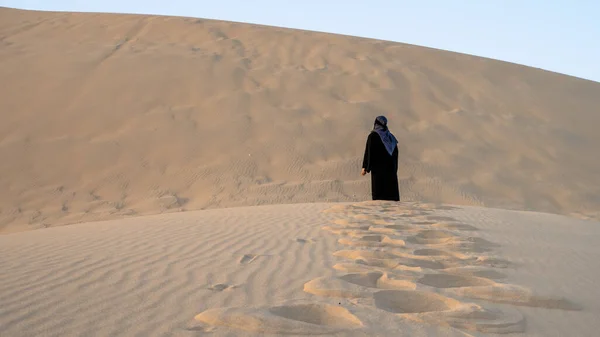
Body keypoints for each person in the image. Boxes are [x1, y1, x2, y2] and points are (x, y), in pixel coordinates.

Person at [361, 116, 400, 201]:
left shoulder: (373, 136)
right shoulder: (391, 137)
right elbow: (396, 155)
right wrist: (395, 168)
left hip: (378, 172)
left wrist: (365, 167)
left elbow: (369, 152)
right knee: (391, 198)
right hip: (391, 172)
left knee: (379, 199)